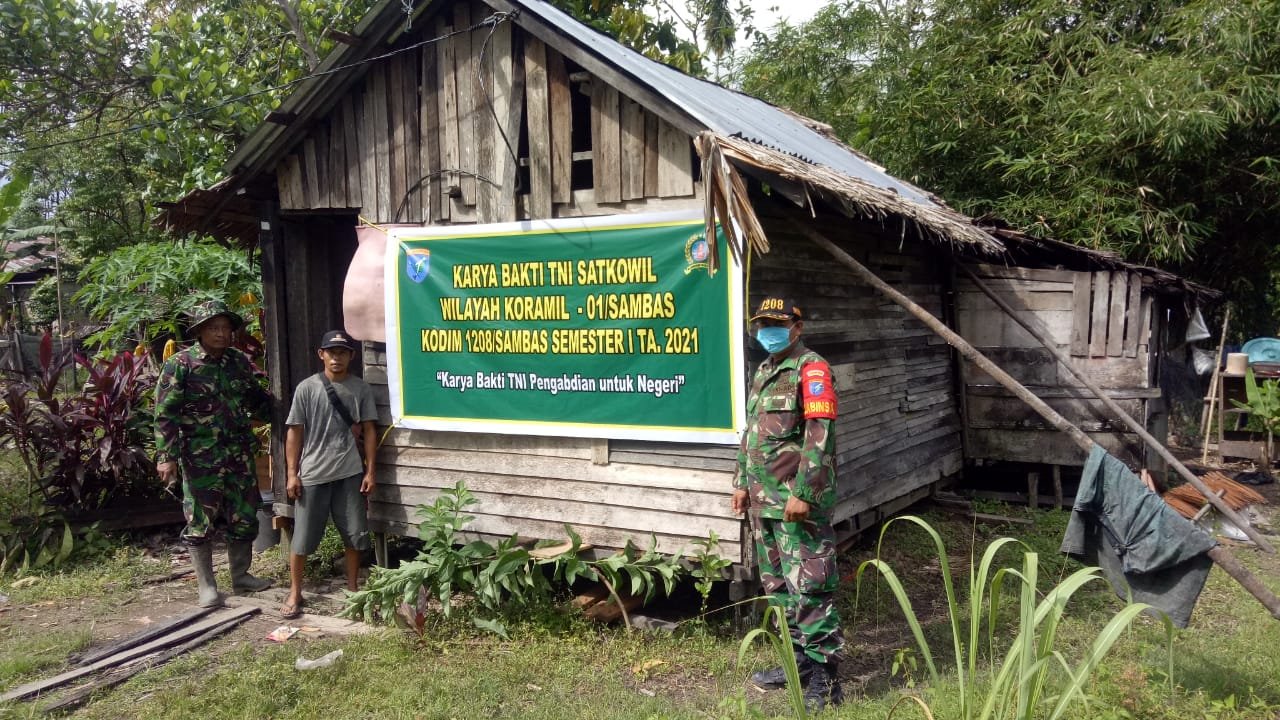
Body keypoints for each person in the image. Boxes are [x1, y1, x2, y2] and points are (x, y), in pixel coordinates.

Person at [732, 296, 844, 710]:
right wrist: (741, 482)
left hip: (797, 504)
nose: (767, 332)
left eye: (776, 324)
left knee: (810, 587)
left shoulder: (812, 370)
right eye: (761, 325)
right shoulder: (764, 370)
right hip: (764, 503)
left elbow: (820, 436)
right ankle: (800, 665)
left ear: (798, 327)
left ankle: (828, 681)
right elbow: (752, 434)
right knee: (778, 587)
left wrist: (805, 493)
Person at [155, 300, 273, 608]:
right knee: (199, 520)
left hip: (239, 454)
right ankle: (206, 586)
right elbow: (165, 414)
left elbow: (256, 399)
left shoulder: (237, 362)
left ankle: (242, 576)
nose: (221, 334)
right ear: (200, 332)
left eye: (225, 328)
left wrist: (290, 414)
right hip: (200, 458)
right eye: (214, 328)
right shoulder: (181, 364)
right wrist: (165, 456)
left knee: (245, 515)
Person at [280, 330, 377, 619]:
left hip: (349, 473)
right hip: (313, 474)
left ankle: (352, 587)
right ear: (321, 354)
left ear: (352, 356)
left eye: (343, 352)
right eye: (331, 352)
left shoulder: (360, 389)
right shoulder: (307, 389)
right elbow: (294, 432)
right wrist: (292, 474)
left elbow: (370, 430)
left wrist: (370, 471)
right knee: (302, 539)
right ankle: (295, 591)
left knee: (354, 534)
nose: (337, 358)